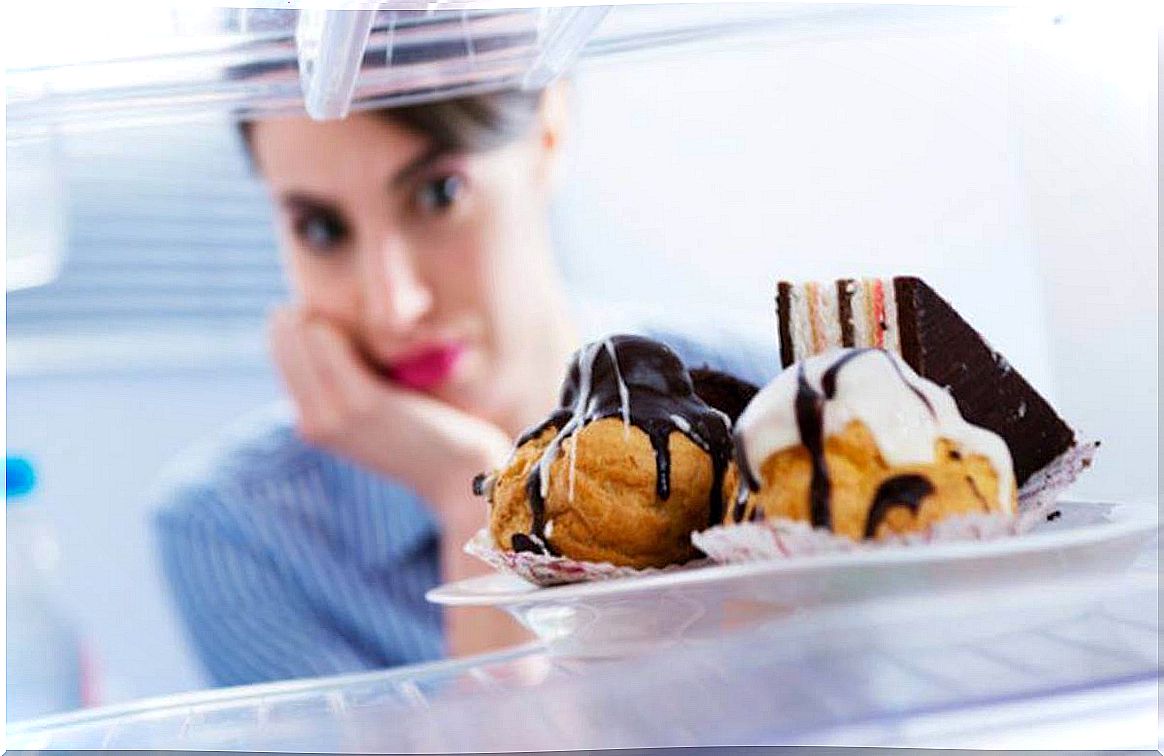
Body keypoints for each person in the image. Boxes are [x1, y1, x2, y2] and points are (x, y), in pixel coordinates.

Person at [153, 82, 776, 688]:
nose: (395, 304)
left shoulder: (776, 400)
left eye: (438, 194)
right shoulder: (241, 531)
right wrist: (472, 490)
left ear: (547, 130)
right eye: (321, 230)